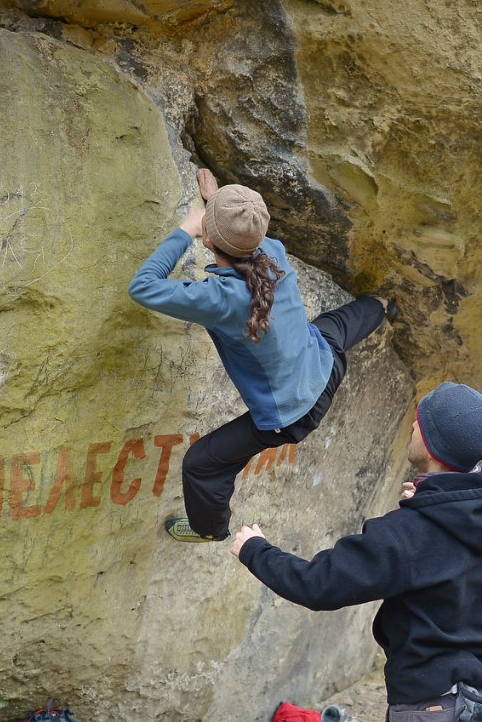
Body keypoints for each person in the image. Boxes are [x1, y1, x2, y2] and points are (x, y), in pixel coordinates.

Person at [230, 381, 482, 722]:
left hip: (431, 713)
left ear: (430, 445)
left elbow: (319, 584)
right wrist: (440, 495)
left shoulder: (409, 533)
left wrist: (254, 549)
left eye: (419, 422)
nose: (412, 426)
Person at [129, 169, 391, 543]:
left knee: (202, 464)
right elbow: (241, 237)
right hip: (323, 363)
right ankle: (381, 306)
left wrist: (188, 229)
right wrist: (216, 203)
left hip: (292, 415)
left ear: (209, 238)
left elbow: (143, 286)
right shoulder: (273, 250)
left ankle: (208, 530)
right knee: (336, 326)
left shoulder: (219, 300)